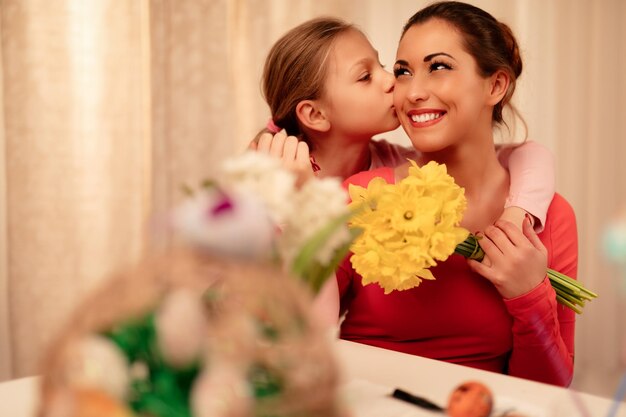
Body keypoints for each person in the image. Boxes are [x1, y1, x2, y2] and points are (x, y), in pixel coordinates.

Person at [337, 1, 577, 387]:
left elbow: (550, 391)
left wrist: (530, 295)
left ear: (496, 85)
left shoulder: (548, 217)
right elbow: (293, 333)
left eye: (439, 67)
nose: (413, 92)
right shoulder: (364, 197)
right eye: (403, 72)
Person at [251, 17, 554, 232]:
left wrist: (518, 212)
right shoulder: (269, 180)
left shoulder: (396, 168)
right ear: (315, 115)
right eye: (365, 76)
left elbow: (528, 155)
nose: (392, 81)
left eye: (385, 66)